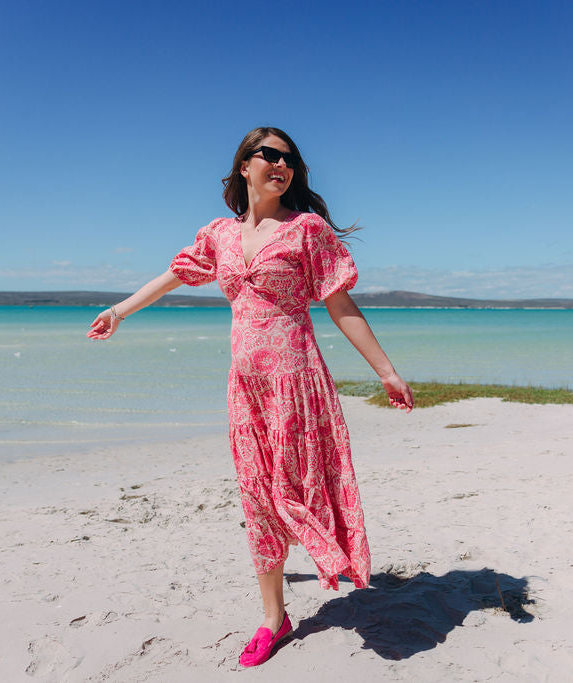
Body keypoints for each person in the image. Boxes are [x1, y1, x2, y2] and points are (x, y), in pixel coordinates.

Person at [87, 126, 414, 667]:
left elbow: (340, 305)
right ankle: (273, 617)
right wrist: (119, 311)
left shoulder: (306, 230)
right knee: (258, 501)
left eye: (289, 159)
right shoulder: (219, 234)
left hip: (296, 384)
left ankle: (326, 558)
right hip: (245, 390)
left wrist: (387, 371)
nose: (280, 164)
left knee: (294, 489)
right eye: (269, 155)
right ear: (245, 165)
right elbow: (173, 275)